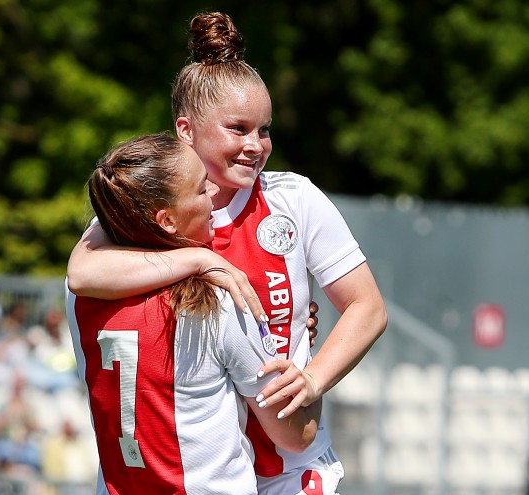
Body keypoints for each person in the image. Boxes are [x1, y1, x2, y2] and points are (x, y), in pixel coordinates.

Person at [66, 11, 388, 494]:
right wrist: (202, 260)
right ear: (186, 130)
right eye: (238, 129)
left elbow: (367, 306)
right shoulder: (149, 211)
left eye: (264, 130)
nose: (256, 146)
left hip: (289, 460)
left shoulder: (293, 199)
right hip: (201, 465)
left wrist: (313, 379)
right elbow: (82, 272)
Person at [67, 132, 322, 495]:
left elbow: (80, 269)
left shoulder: (79, 297)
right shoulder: (217, 302)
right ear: (167, 221)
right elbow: (295, 435)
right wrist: (301, 348)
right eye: (202, 190)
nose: (215, 194)